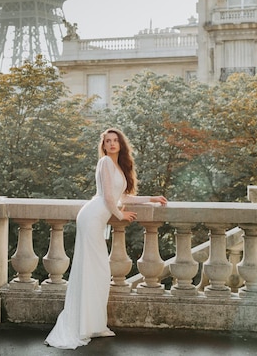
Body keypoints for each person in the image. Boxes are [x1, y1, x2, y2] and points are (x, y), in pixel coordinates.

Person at [45, 128, 167, 350]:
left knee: (98, 272)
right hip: (91, 217)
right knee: (95, 270)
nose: (111, 144)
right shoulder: (105, 163)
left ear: (121, 144)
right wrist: (120, 215)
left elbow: (122, 196)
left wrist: (151, 198)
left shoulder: (117, 166)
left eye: (115, 141)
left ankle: (94, 325)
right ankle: (83, 326)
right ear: (103, 145)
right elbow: (109, 198)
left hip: (97, 218)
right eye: (107, 141)